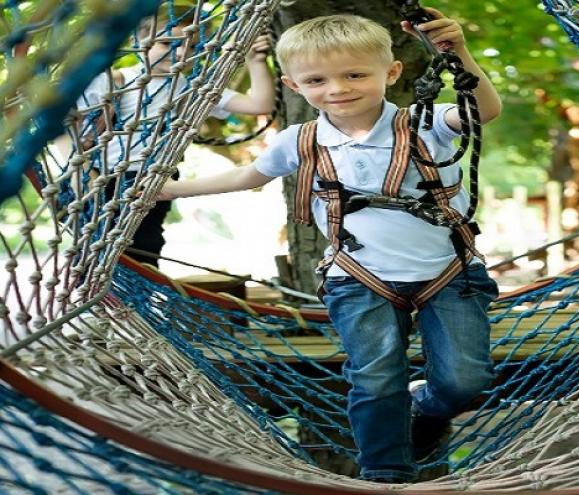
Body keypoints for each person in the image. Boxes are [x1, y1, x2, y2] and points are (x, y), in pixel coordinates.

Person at [158, 8, 502, 483]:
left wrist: (455, 51)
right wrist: (169, 190)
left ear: (392, 72)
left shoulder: (426, 123)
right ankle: (385, 474)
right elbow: (244, 176)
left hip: (448, 272)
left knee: (465, 381)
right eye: (317, 80)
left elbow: (482, 110)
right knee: (376, 377)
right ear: (295, 86)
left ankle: (427, 404)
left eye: (355, 74)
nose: (338, 89)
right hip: (358, 276)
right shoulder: (299, 140)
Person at [70, 4, 275, 266]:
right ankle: (108, 296)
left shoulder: (194, 89)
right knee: (95, 248)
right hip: (103, 177)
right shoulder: (116, 81)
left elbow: (258, 105)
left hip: (152, 179)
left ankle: (133, 300)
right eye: (167, 43)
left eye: (190, 47)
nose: (179, 53)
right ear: (138, 41)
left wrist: (255, 62)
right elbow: (76, 135)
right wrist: (85, 175)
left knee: (144, 244)